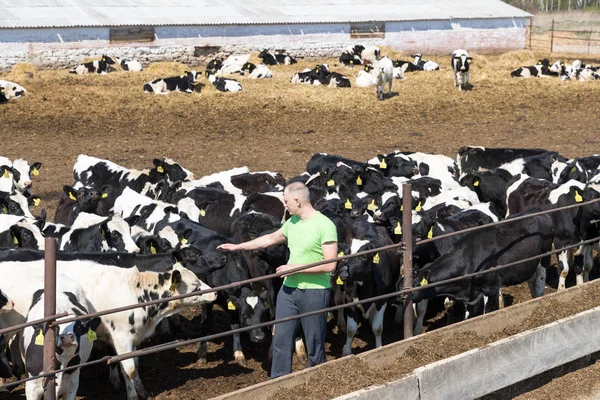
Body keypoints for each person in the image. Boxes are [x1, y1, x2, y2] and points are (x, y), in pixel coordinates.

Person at [217, 181, 338, 378]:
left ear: (298, 201)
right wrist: (237, 247)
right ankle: (279, 384)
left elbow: (330, 264)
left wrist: (295, 268)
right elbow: (269, 239)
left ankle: (318, 381)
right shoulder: (292, 223)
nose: (284, 205)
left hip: (314, 291)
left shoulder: (325, 225)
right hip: (288, 291)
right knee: (281, 339)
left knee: (315, 341)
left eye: (286, 201)